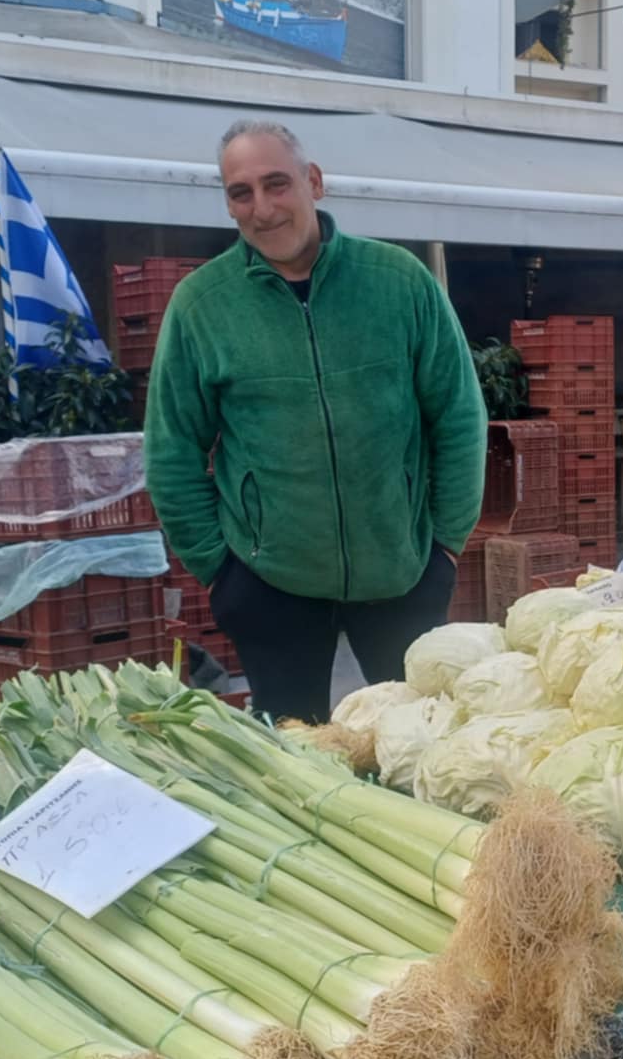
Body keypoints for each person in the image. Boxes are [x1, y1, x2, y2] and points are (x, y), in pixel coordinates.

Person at [143, 120, 487, 724]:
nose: (263, 208)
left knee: (416, 746)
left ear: (315, 182)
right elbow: (171, 450)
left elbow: (458, 417)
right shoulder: (202, 304)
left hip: (402, 575)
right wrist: (220, 572)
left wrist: (446, 548)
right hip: (269, 585)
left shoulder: (399, 282)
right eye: (240, 192)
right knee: (295, 762)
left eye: (277, 184)